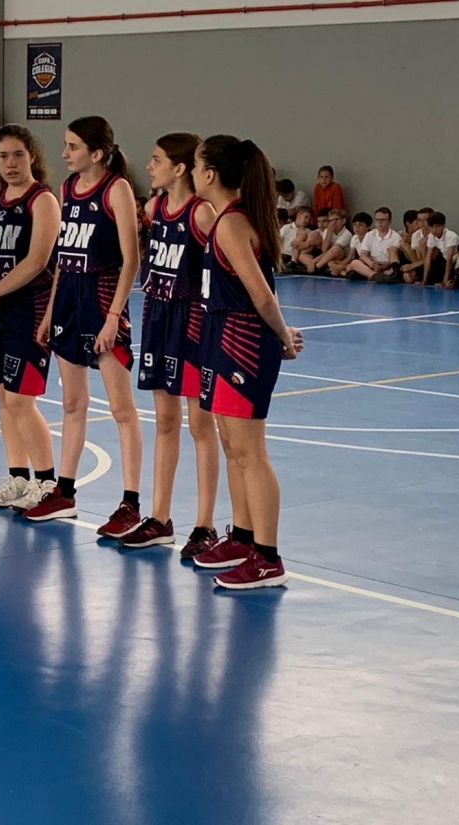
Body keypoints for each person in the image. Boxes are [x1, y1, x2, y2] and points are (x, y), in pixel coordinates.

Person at [189, 135, 303, 590]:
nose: (191, 172)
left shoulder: (234, 225)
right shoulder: (225, 220)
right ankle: (242, 537)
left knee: (250, 452)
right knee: (232, 446)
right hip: (220, 338)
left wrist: (283, 336)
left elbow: (262, 294)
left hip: (242, 344)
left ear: (210, 174)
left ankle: (268, 558)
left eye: (195, 165)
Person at [23, 116, 143, 528]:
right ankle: (65, 492)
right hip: (69, 300)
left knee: (121, 408)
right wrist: (50, 312)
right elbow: (62, 260)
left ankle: (131, 503)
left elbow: (132, 259)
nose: (64, 153)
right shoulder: (67, 189)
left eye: (73, 146)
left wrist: (113, 318)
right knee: (72, 403)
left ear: (97, 153)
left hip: (103, 298)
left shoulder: (116, 189)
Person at [122, 132, 220, 555]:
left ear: (180, 168)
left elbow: (228, 262)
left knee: (200, 425)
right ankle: (160, 518)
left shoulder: (203, 214)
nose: (149, 166)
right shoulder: (153, 209)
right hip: (157, 317)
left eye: (156, 159)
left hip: (192, 322)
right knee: (164, 420)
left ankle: (205, 525)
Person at [0, 124, 60, 513]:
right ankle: (19, 477)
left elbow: (37, 260)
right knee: (4, 398)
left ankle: (48, 483)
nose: (10, 163)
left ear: (32, 156)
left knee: (22, 400)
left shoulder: (43, 201)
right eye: (3, 156)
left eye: (18, 155)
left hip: (28, 311)